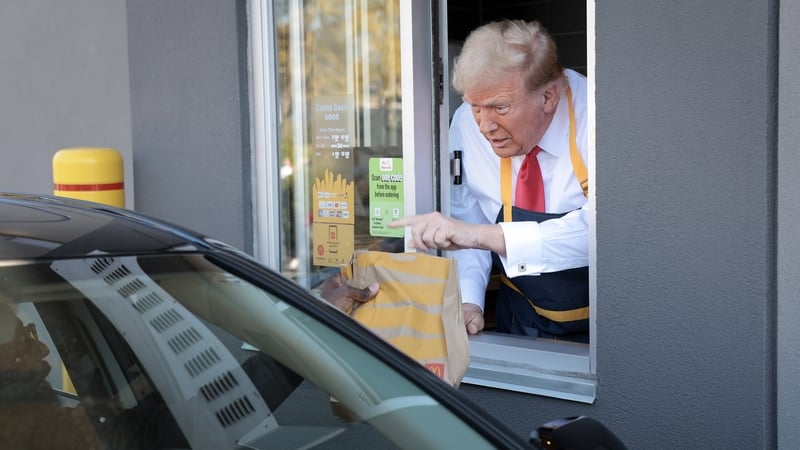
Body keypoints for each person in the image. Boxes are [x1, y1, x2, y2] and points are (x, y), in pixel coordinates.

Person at [389, 19, 590, 341]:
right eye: (475, 107)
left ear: (549, 97)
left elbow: (602, 233)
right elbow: (468, 222)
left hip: (604, 331)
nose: (484, 126)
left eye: (499, 107)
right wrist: (469, 301)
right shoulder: (466, 125)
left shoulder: (597, 118)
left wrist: (480, 235)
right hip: (520, 316)